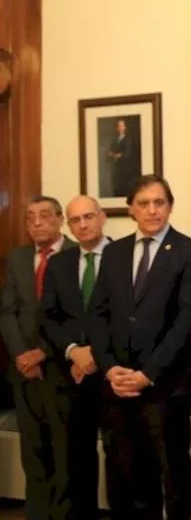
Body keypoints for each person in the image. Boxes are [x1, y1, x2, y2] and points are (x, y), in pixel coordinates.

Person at [87, 175, 191, 520]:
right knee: (126, 473)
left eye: (160, 202)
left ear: (170, 207)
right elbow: (97, 315)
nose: (152, 210)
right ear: (131, 209)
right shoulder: (114, 252)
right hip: (118, 383)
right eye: (144, 203)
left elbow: (188, 321)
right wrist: (110, 367)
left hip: (166, 384)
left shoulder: (190, 252)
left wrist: (148, 374)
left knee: (173, 472)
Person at [0, 195, 76, 520]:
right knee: (33, 451)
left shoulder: (78, 254)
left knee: (65, 451)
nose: (37, 223)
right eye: (30, 217)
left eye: (45, 215)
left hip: (62, 368)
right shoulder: (16, 258)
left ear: (60, 219)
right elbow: (7, 311)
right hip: (24, 373)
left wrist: (41, 353)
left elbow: (79, 316)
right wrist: (21, 355)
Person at [39, 195, 110, 519]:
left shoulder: (122, 257)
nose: (83, 225)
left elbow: (128, 316)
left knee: (121, 456)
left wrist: (95, 354)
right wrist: (73, 352)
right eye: (75, 220)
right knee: (76, 458)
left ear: (102, 217)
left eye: (88, 217)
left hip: (113, 371)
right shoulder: (60, 263)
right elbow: (48, 318)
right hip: (70, 374)